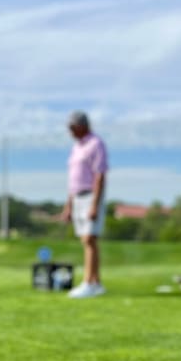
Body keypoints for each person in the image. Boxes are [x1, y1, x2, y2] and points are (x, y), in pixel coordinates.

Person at [61, 111, 108, 298]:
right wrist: (68, 205)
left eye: (73, 127)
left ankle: (89, 282)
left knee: (90, 239)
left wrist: (95, 204)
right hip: (77, 197)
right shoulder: (76, 147)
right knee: (84, 239)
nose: (70, 131)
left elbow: (100, 175)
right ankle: (95, 282)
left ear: (83, 126)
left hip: (91, 196)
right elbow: (73, 181)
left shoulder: (96, 144)